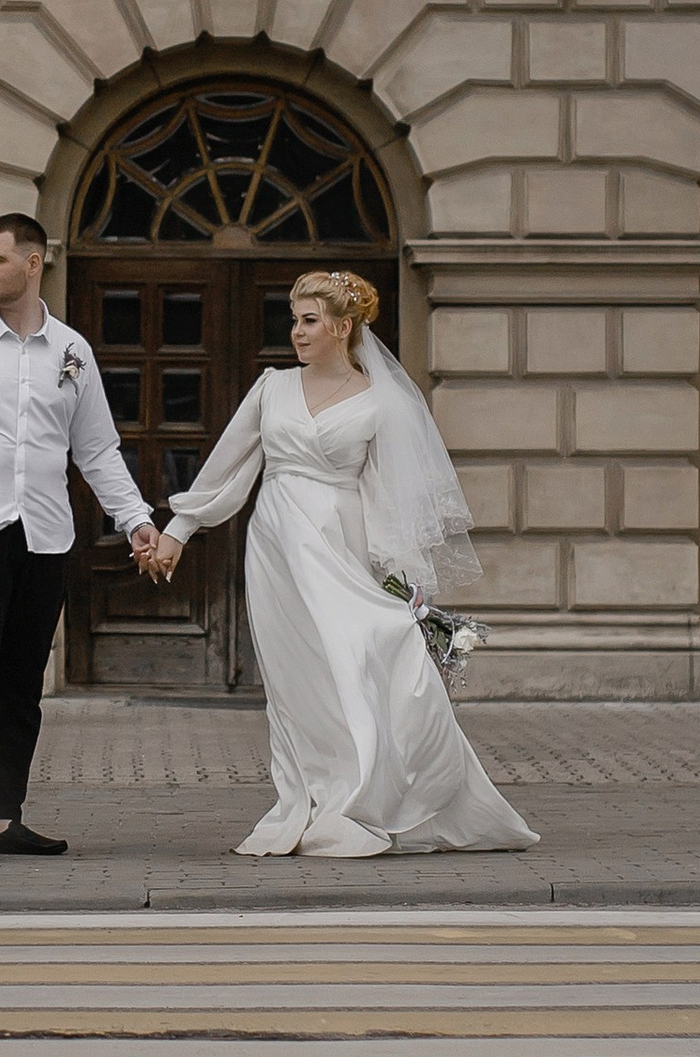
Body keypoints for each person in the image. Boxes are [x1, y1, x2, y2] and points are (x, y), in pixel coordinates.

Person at [146, 268, 535, 858]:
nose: (297, 332)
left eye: (309, 321)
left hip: (342, 541)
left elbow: (392, 495)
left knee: (367, 651)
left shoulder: (382, 401)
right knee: (295, 679)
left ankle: (374, 795)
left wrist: (402, 581)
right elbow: (229, 466)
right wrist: (180, 528)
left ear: (343, 326)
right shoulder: (271, 387)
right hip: (277, 543)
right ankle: (308, 799)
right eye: (295, 320)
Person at [0, 214, 164, 864]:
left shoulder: (71, 351)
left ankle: (1, 812)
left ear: (35, 261)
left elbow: (96, 448)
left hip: (44, 538)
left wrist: (136, 519)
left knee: (21, 684)